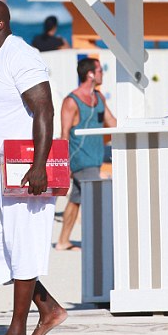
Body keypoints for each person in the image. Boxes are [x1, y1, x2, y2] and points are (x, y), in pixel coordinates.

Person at [0, 0, 67, 335]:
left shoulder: (20, 55)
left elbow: (44, 109)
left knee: (22, 245)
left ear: (1, 24)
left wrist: (39, 166)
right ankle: (48, 307)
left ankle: (17, 334)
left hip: (24, 165)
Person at [56, 58, 117, 251]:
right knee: (95, 199)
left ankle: (63, 241)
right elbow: (64, 133)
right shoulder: (71, 101)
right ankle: (97, 244)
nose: (102, 74)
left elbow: (112, 123)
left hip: (96, 158)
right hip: (79, 158)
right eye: (99, 70)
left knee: (76, 200)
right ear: (90, 74)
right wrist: (63, 164)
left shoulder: (99, 97)